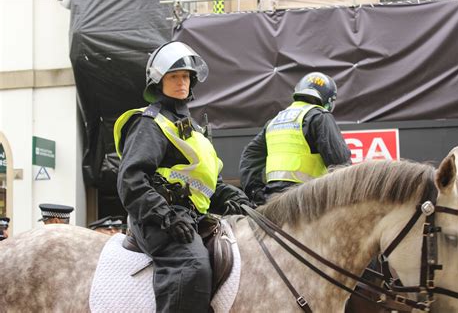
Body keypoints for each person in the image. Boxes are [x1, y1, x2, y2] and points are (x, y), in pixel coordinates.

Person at [113, 41, 253, 312]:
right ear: (158, 82)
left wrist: (228, 195)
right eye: (173, 76)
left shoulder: (194, 129)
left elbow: (203, 183)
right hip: (157, 220)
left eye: (186, 76)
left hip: (192, 218)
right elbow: (131, 179)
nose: (181, 82)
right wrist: (164, 215)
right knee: (192, 265)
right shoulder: (149, 123)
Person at [239, 72, 352, 205]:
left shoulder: (274, 121)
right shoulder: (320, 116)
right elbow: (340, 162)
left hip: (272, 200)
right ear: (329, 100)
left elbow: (250, 155)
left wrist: (256, 192)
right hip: (306, 200)